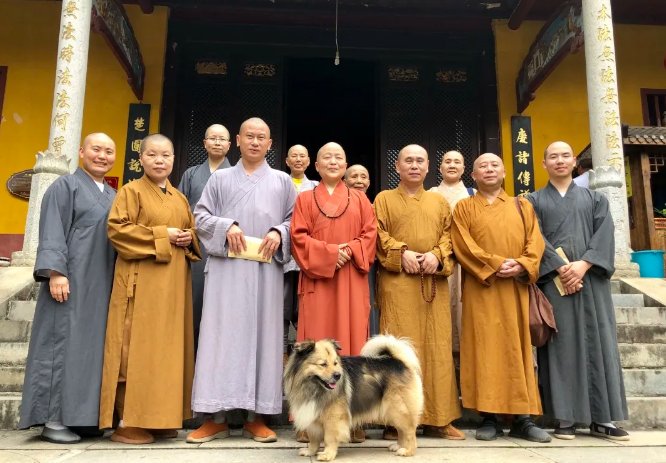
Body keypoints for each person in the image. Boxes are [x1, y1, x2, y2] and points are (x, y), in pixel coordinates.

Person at [187, 118, 297, 444]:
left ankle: (256, 417)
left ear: (270, 144)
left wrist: (279, 232)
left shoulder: (282, 181)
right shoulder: (220, 178)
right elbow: (200, 217)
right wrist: (226, 226)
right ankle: (216, 417)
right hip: (227, 271)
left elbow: (295, 220)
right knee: (220, 337)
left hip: (266, 270)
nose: (255, 141)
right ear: (238, 140)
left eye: (261, 137)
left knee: (264, 337)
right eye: (249, 136)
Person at [99, 134, 201, 444]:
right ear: (141, 158)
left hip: (173, 287)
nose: (159, 161)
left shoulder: (179, 198)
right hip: (140, 284)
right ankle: (128, 421)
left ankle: (160, 418)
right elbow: (118, 231)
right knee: (134, 350)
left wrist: (189, 237)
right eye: (153, 155)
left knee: (168, 351)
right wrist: (163, 235)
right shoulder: (130, 191)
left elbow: (191, 232)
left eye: (166, 155)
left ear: (174, 159)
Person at [18, 134, 117, 444]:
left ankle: (83, 418)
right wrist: (56, 272)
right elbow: (52, 229)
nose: (102, 156)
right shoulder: (65, 186)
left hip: (100, 283)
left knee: (89, 350)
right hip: (69, 281)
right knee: (60, 345)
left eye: (109, 151)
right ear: (82, 152)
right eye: (96, 149)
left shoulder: (114, 195)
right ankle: (53, 419)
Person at [528, 141, 629, 441]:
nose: (559, 161)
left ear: (574, 162)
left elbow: (604, 235)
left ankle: (603, 418)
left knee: (600, 342)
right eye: (553, 156)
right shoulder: (533, 201)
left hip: (591, 280)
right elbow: (534, 237)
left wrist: (583, 265)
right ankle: (565, 417)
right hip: (554, 283)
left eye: (565, 156)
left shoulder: (596, 199)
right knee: (562, 346)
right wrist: (561, 268)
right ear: (544, 164)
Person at [451, 153, 550, 443]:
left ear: (505, 172)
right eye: (482, 166)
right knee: (484, 349)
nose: (489, 169)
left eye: (495, 165)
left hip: (515, 289)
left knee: (516, 348)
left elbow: (536, 241)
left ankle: (523, 418)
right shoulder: (464, 207)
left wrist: (523, 264)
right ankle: (489, 416)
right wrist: (495, 263)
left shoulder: (522, 205)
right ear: (473, 175)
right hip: (482, 287)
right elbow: (462, 245)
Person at [374, 144, 464, 441]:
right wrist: (402, 253)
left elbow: (450, 236)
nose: (414, 165)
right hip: (397, 282)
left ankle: (439, 418)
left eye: (419, 161)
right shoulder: (383, 199)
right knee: (397, 350)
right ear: (397, 166)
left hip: (431, 282)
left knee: (437, 347)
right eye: (408, 161)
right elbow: (378, 234)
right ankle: (394, 421)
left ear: (427, 167)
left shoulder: (439, 201)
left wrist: (437, 255)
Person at [178, 124, 232, 354]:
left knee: (223, 303)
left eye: (222, 139)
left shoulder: (236, 175)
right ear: (205, 143)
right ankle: (190, 355)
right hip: (196, 246)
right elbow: (180, 208)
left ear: (229, 145)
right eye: (213, 138)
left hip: (226, 246)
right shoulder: (191, 174)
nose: (217, 143)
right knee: (194, 299)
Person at [429, 150, 475, 355]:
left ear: (464, 168)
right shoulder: (431, 194)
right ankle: (442, 357)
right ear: (440, 168)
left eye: (457, 162)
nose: (452, 165)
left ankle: (465, 358)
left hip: (466, 261)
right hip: (439, 261)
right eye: (448, 161)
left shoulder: (473, 194)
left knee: (466, 309)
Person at [283, 144, 318, 363]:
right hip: (285, 253)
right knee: (283, 305)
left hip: (308, 253)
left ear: (308, 161)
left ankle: (306, 354)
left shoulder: (316, 186)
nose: (298, 159)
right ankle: (281, 354)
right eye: (294, 156)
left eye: (302, 156)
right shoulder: (279, 183)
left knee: (306, 306)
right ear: (287, 161)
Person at [344, 164, 379, 336]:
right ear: (344, 182)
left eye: (363, 177)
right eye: (354, 176)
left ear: (369, 182)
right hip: (342, 262)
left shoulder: (376, 207)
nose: (359, 181)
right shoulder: (338, 207)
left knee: (369, 305)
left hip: (368, 264)